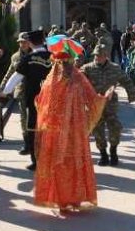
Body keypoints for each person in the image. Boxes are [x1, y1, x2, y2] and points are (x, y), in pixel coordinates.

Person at [33, 51, 113, 211]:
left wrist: (104, 97)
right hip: (66, 131)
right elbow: (92, 99)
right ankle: (66, 198)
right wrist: (104, 98)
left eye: (65, 62)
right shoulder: (60, 80)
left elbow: (40, 103)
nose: (65, 66)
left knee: (65, 162)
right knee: (64, 162)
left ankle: (68, 198)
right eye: (63, 63)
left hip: (66, 130)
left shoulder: (59, 80)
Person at [2, 29, 52, 170]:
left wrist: (5, 91)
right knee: (50, 129)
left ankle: (36, 161)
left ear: (30, 43)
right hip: (52, 100)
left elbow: (16, 77)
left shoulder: (28, 59)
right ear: (43, 41)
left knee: (33, 129)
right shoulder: (54, 57)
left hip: (34, 100)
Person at [80, 43, 135, 166]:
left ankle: (113, 151)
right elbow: (78, 79)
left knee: (115, 128)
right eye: (95, 55)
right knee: (97, 130)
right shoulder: (88, 68)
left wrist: (132, 95)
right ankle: (103, 154)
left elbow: (126, 81)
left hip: (110, 105)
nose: (97, 58)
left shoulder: (114, 68)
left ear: (106, 56)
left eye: (100, 56)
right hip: (95, 105)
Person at [2, 32, 32, 153]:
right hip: (21, 91)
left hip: (35, 90)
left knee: (35, 117)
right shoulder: (15, 57)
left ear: (29, 43)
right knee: (24, 118)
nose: (23, 44)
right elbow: (10, 72)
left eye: (25, 42)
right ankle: (26, 144)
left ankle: (36, 143)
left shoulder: (36, 55)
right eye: (21, 42)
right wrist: (2, 87)